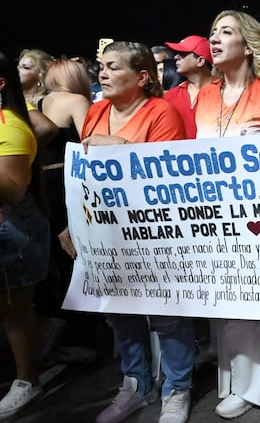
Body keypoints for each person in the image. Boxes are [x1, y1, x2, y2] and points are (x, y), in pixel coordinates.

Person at [58, 41, 193, 423]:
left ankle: (177, 389)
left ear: (143, 77)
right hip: (107, 233)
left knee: (166, 315)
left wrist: (116, 145)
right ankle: (135, 386)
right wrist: (75, 222)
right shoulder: (97, 110)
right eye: (101, 66)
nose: (102, 73)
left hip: (154, 234)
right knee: (119, 313)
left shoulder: (161, 112)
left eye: (113, 67)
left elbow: (169, 172)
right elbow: (85, 178)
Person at [195, 10, 260, 423]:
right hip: (216, 216)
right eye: (212, 32)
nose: (215, 39)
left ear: (247, 44)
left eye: (225, 32)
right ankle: (244, 384)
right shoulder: (205, 95)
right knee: (228, 304)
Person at [0, 51, 51, 420]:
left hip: (13, 230)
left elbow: (12, 189)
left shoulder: (10, 126)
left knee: (15, 310)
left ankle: (28, 380)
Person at [36, 59, 92, 318]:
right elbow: (88, 144)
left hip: (41, 180)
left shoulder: (38, 102)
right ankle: (83, 321)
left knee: (54, 252)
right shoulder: (76, 101)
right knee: (74, 250)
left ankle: (62, 318)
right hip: (66, 180)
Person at [163, 35, 214, 139]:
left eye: (182, 53)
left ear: (200, 61)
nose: (176, 57)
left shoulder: (225, 92)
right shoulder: (170, 97)